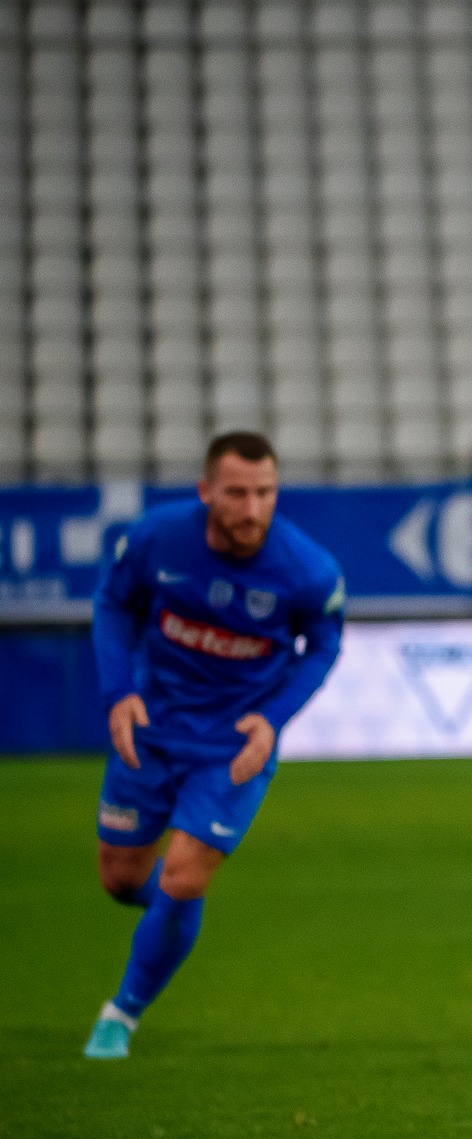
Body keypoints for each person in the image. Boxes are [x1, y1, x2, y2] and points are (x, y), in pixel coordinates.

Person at [83, 432, 345, 1059]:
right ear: (205, 492)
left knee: (182, 876)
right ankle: (174, 920)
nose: (252, 509)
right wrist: (117, 690)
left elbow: (325, 645)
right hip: (149, 730)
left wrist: (275, 719)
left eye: (265, 493)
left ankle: (120, 1014)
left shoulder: (308, 570)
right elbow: (113, 602)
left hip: (233, 748)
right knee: (121, 880)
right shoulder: (155, 538)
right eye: (236, 493)